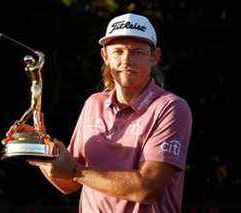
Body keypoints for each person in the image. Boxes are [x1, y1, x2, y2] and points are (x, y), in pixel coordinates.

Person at [25, 13, 192, 213]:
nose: (126, 60)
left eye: (137, 52)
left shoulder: (171, 107)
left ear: (155, 57)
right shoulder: (93, 104)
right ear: (105, 56)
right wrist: (42, 153)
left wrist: (76, 171)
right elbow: (69, 184)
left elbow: (147, 188)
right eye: (118, 51)